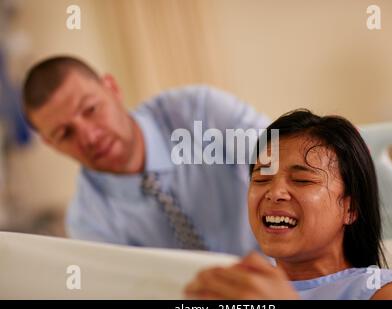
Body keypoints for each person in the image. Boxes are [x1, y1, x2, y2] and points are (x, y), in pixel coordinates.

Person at [21, 56, 269, 255]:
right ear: (50, 143)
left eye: (91, 109)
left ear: (112, 88)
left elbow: (286, 165)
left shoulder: (200, 112)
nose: (89, 137)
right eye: (65, 133)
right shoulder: (89, 223)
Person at [184, 109, 392, 299]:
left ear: (351, 209)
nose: (274, 192)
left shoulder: (384, 292)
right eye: (261, 179)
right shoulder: (237, 286)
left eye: (302, 180)